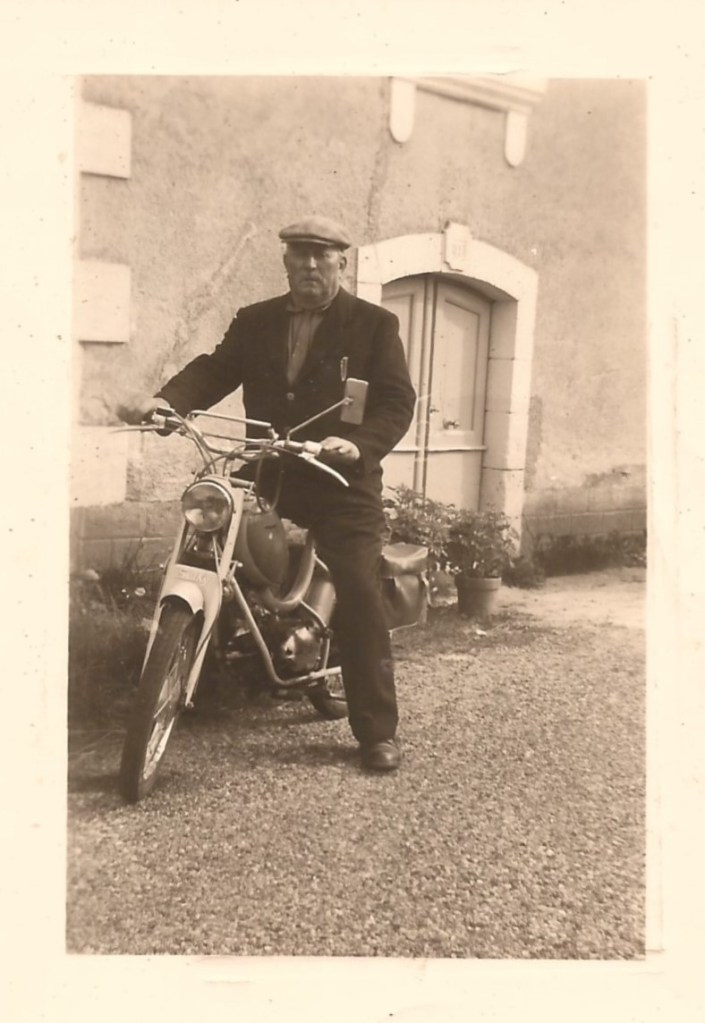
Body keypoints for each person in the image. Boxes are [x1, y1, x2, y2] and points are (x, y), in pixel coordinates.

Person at [119, 215, 416, 771]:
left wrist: (359, 445)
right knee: (207, 540)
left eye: (322, 255)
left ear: (341, 262)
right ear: (285, 261)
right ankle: (190, 668)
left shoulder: (374, 325)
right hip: (271, 470)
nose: (310, 264)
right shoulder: (255, 320)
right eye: (300, 254)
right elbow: (215, 370)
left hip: (339, 479)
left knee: (357, 588)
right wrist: (168, 403)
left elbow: (397, 402)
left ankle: (377, 731)